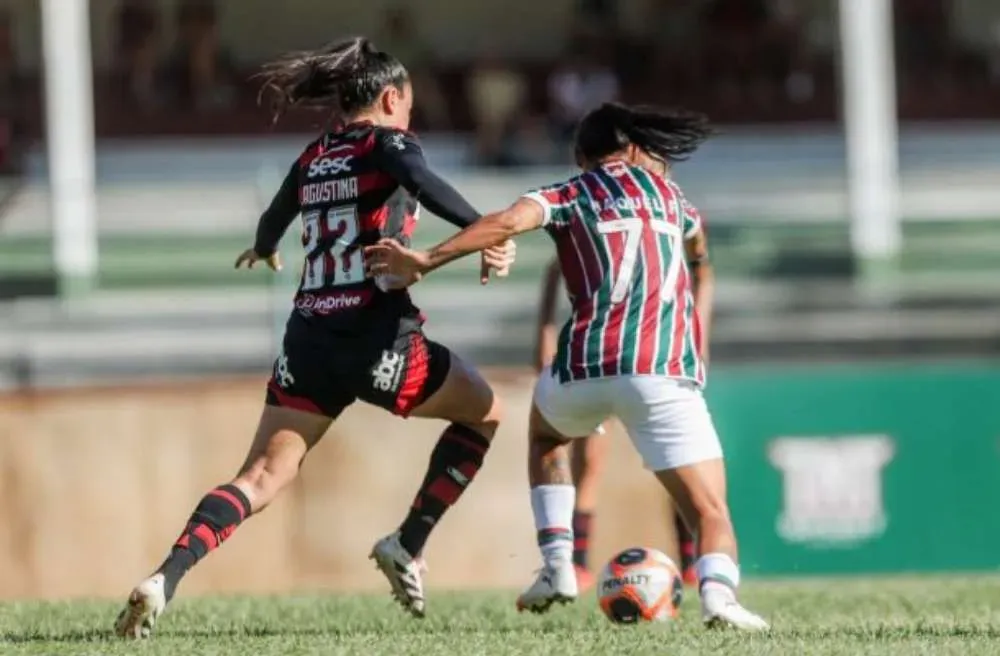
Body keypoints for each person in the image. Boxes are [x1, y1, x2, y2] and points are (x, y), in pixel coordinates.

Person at [114, 37, 515, 639]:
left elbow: (273, 219)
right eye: (407, 104)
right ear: (389, 97)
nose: (408, 117)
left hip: (308, 340)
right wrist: (484, 231)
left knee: (258, 479)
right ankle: (408, 543)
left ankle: (164, 579)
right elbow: (424, 182)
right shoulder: (390, 142)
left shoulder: (314, 155)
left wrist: (266, 249)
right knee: (487, 411)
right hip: (378, 339)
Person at [366, 102, 769, 631]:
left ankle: (558, 565)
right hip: (662, 371)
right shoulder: (676, 201)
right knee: (711, 511)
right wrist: (699, 331)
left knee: (546, 438)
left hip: (582, 368)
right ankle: (718, 599)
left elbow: (505, 223)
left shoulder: (567, 193)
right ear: (634, 149)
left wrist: (426, 260)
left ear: (583, 156)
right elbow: (701, 260)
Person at [535, 257, 698, 591]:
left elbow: (699, 275)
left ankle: (692, 562)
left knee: (678, 461)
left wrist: (695, 343)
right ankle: (577, 564)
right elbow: (555, 270)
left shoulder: (664, 231)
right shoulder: (589, 232)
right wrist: (545, 342)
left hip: (654, 357)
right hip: (598, 354)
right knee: (589, 460)